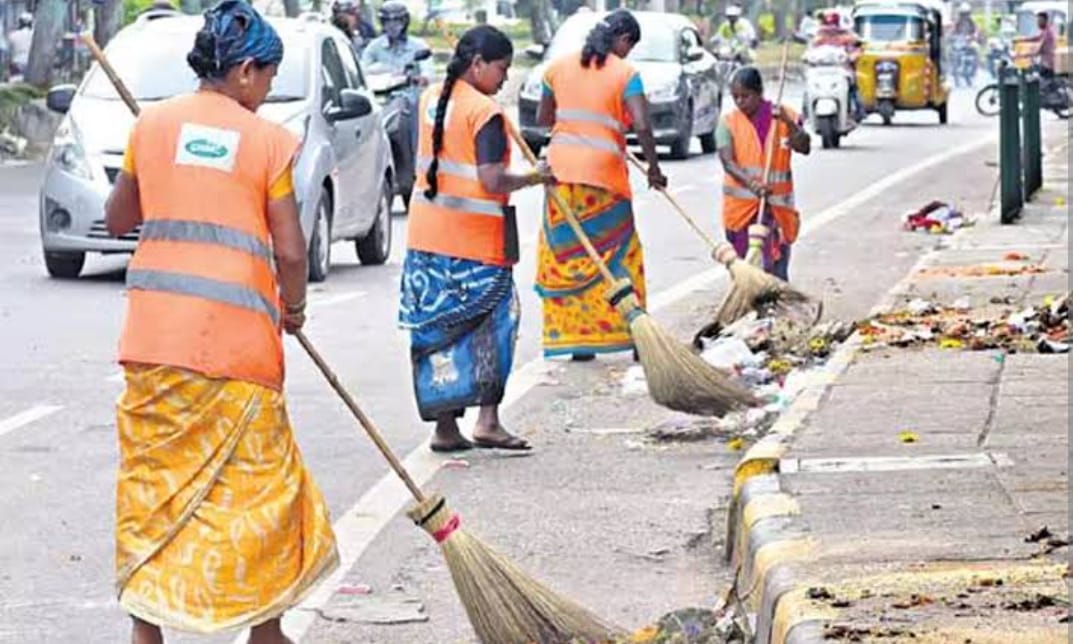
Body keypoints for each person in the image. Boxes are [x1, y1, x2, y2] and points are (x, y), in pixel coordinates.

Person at [103, 2, 338, 642]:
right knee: (257, 493)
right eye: (265, 77)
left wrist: (151, 165)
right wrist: (294, 308)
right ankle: (265, 632)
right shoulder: (268, 142)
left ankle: (146, 632)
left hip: (154, 346)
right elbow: (291, 250)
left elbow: (119, 218)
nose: (265, 92)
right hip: (238, 354)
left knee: (156, 489)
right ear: (242, 72)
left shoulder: (151, 126)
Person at [400, 25, 554, 453]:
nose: (505, 78)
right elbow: (491, 179)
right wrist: (534, 177)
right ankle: (488, 421)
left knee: (435, 331)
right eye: (502, 68)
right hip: (474, 246)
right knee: (495, 327)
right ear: (478, 64)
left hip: (426, 239)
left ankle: (445, 427)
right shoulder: (485, 113)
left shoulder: (432, 99)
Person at [535, 9, 667, 361]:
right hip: (604, 182)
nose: (629, 54)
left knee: (570, 255)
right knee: (621, 253)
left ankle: (579, 341)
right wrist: (654, 168)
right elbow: (641, 124)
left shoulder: (557, 68)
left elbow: (543, 118)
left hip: (561, 178)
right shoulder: (626, 74)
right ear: (623, 40)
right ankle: (635, 333)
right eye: (630, 46)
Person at [717, 67, 810, 281]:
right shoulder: (727, 122)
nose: (740, 102)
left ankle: (775, 309)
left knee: (775, 269)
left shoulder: (785, 116)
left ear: (759, 93)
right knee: (745, 271)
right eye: (735, 97)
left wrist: (787, 122)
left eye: (745, 96)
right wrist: (752, 184)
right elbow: (727, 162)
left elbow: (804, 147)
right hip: (741, 214)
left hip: (776, 210)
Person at [362, 1, 434, 155]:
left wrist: (418, 78)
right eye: (387, 21)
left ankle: (415, 166)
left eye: (397, 21)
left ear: (405, 22)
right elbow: (363, 71)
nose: (392, 26)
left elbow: (428, 74)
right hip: (381, 100)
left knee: (418, 130)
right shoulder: (374, 47)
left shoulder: (418, 46)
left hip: (410, 101)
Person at [810, 11, 865, 121]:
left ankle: (857, 109)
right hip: (821, 71)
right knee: (809, 85)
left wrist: (853, 56)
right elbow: (810, 51)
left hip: (841, 69)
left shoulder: (847, 37)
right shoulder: (819, 37)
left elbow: (857, 48)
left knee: (852, 86)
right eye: (828, 26)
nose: (830, 30)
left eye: (833, 26)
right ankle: (807, 110)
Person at [1017, 11, 1057, 79]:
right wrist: (1022, 40)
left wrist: (1021, 56)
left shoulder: (1048, 33)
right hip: (1045, 64)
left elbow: (1038, 51)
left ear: (1045, 21)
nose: (1037, 23)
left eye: (1039, 21)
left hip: (1048, 66)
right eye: (1037, 21)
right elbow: (1036, 38)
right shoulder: (1046, 31)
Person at [7, 12, 33, 76]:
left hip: (16, 64)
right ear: (31, 23)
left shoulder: (12, 35)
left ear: (20, 22)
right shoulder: (35, 35)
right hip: (30, 64)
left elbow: (9, 53)